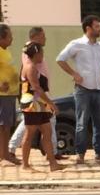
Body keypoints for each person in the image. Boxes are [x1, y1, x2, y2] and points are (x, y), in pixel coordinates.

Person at [56, 15, 100, 165]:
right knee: (81, 123)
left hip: (99, 89)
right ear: (88, 28)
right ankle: (80, 155)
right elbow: (60, 59)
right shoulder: (76, 44)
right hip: (83, 90)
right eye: (96, 26)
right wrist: (74, 74)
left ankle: (99, 154)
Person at [9, 27, 63, 161]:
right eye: (43, 36)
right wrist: (49, 102)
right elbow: (34, 83)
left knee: (45, 127)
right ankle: (17, 153)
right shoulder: (30, 53)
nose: (45, 38)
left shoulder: (33, 51)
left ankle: (52, 156)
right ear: (36, 36)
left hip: (39, 96)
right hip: (35, 97)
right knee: (30, 129)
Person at [19, 43, 66, 173]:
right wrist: (51, 103)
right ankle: (25, 165)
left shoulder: (34, 67)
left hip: (40, 105)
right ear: (37, 54)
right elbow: (37, 89)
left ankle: (53, 163)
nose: (43, 55)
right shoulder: (30, 68)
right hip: (32, 106)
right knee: (29, 134)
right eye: (42, 53)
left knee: (47, 132)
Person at [0, 24, 18, 165]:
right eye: (10, 36)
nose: (12, 38)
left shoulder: (6, 51)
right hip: (2, 95)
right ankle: (4, 155)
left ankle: (5, 154)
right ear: (2, 38)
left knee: (7, 126)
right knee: (3, 126)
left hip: (10, 95)